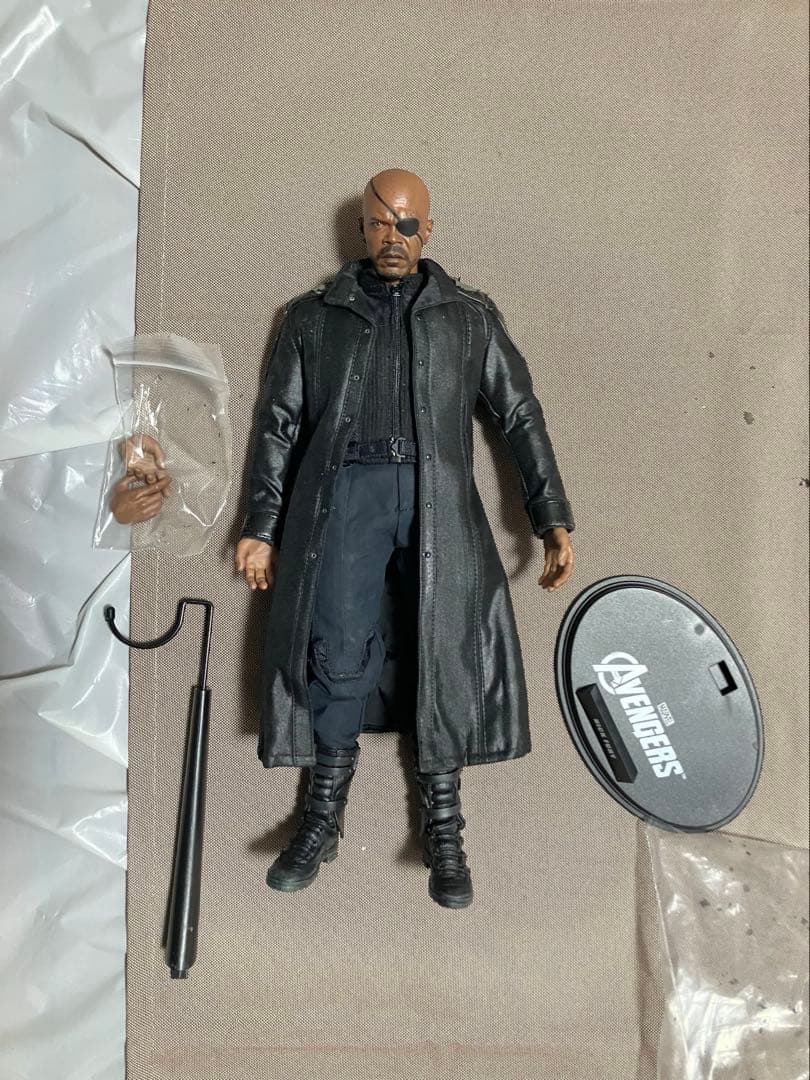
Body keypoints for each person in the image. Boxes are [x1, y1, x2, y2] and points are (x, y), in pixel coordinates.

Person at [235, 168, 575, 908]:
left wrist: (550, 513)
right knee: (336, 644)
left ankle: (444, 828)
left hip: (438, 500)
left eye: (409, 222)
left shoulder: (468, 317)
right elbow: (277, 425)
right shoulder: (313, 318)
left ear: (430, 228)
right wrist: (261, 526)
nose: (395, 236)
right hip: (344, 496)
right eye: (381, 223)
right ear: (362, 228)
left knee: (440, 647)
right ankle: (323, 814)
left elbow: (519, 412)